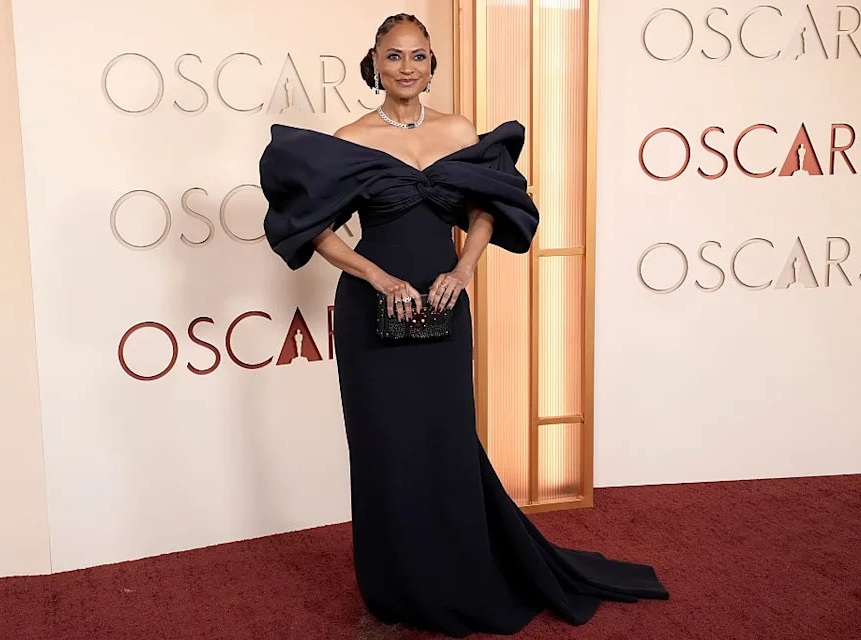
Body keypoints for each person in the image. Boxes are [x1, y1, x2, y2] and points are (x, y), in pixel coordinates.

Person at [259, 13, 669, 638]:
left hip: (446, 307)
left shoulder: (458, 130)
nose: (406, 67)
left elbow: (485, 207)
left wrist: (465, 269)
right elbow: (309, 226)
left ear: (432, 63)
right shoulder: (350, 136)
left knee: (445, 443)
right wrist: (379, 278)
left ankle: (459, 574)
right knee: (382, 450)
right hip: (374, 314)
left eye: (418, 56)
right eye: (393, 56)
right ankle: (390, 595)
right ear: (373, 62)